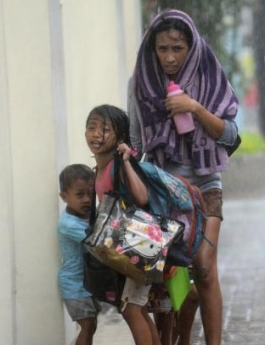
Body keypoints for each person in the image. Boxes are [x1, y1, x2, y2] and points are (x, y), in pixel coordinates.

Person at [127, 9, 240, 345]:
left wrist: (194, 108)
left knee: (204, 267)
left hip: (205, 186)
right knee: (167, 275)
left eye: (178, 48)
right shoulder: (140, 83)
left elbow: (232, 137)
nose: (170, 57)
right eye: (163, 49)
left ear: (191, 47)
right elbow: (136, 143)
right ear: (152, 49)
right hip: (163, 190)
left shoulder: (209, 76)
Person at [85, 104, 161, 345]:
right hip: (128, 249)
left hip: (139, 246)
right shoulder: (100, 168)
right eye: (91, 127)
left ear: (120, 136)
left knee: (131, 309)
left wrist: (127, 162)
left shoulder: (118, 164)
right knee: (136, 308)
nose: (96, 134)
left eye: (105, 129)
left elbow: (142, 198)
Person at [57, 164, 101, 345]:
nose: (87, 200)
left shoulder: (87, 215)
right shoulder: (69, 224)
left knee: (92, 325)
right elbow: (96, 243)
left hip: (87, 282)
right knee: (88, 325)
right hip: (74, 284)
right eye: (80, 194)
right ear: (64, 197)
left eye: (91, 194)